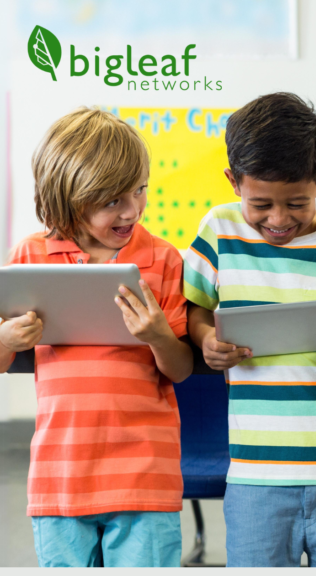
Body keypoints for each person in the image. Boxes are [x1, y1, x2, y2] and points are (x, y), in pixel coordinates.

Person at [182, 93, 316, 567]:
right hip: (256, 469)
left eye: (297, 202)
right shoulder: (219, 231)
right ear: (233, 182)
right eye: (261, 204)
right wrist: (205, 340)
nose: (278, 220)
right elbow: (195, 309)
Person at [0, 108, 193, 567]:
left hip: (146, 476)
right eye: (111, 201)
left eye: (140, 190)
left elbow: (181, 370)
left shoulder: (164, 259)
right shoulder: (30, 255)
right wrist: (8, 338)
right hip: (60, 477)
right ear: (67, 198)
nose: (133, 210)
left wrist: (158, 337)